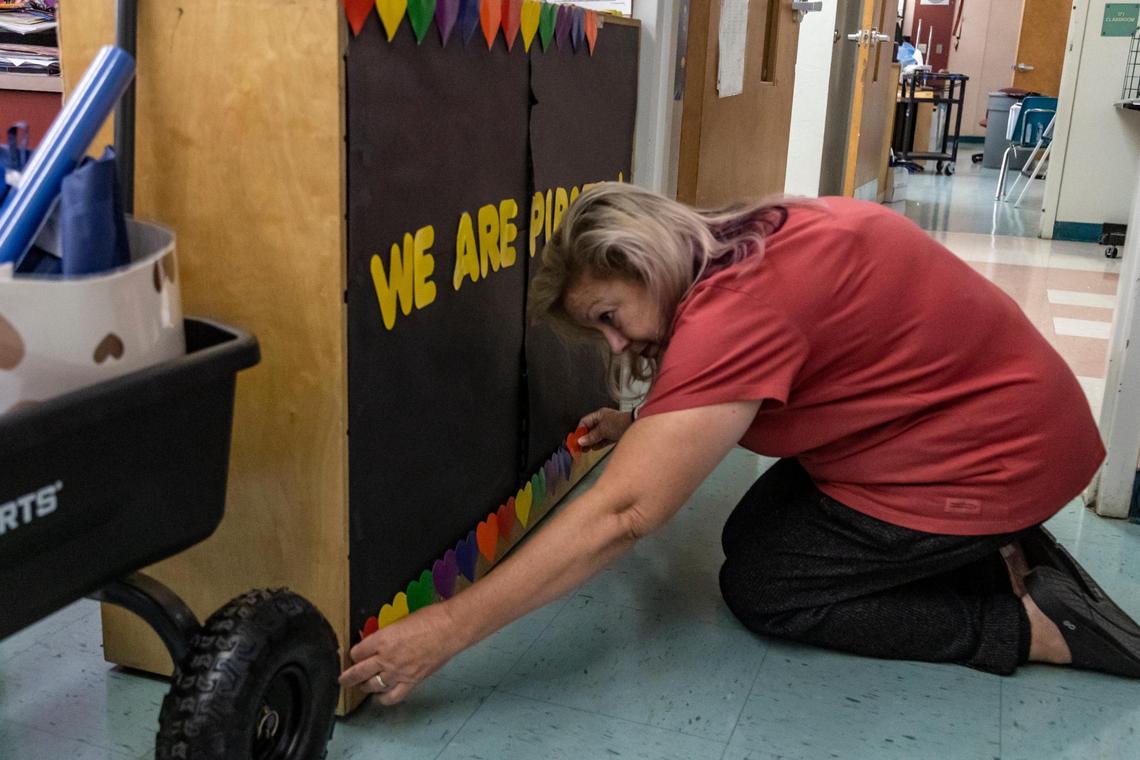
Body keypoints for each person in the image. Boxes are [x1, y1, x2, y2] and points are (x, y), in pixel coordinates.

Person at [340, 184, 1140, 705]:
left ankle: (1033, 625)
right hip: (988, 425)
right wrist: (648, 421)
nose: (616, 347)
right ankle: (988, 551)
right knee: (751, 535)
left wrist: (446, 631)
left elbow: (626, 513)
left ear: (643, 259)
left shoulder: (737, 314)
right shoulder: (749, 237)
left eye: (609, 316)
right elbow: (746, 377)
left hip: (1003, 456)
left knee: (766, 587)